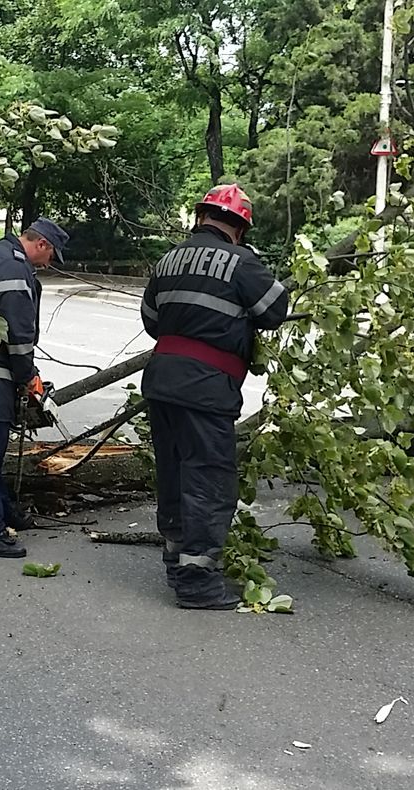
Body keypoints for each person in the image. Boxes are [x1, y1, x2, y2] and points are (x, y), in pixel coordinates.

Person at [140, 184, 289, 609]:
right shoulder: (243, 262)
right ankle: (197, 582)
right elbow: (275, 311)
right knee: (208, 480)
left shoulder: (167, 260)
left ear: (200, 217)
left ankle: (176, 564)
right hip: (205, 388)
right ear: (240, 227)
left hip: (162, 381)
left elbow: (152, 322)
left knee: (174, 474)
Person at [0, 218, 70, 558]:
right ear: (42, 245)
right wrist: (27, 377)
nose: (49, 264)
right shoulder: (13, 267)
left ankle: (2, 509)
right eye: (51, 256)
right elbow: (18, 333)